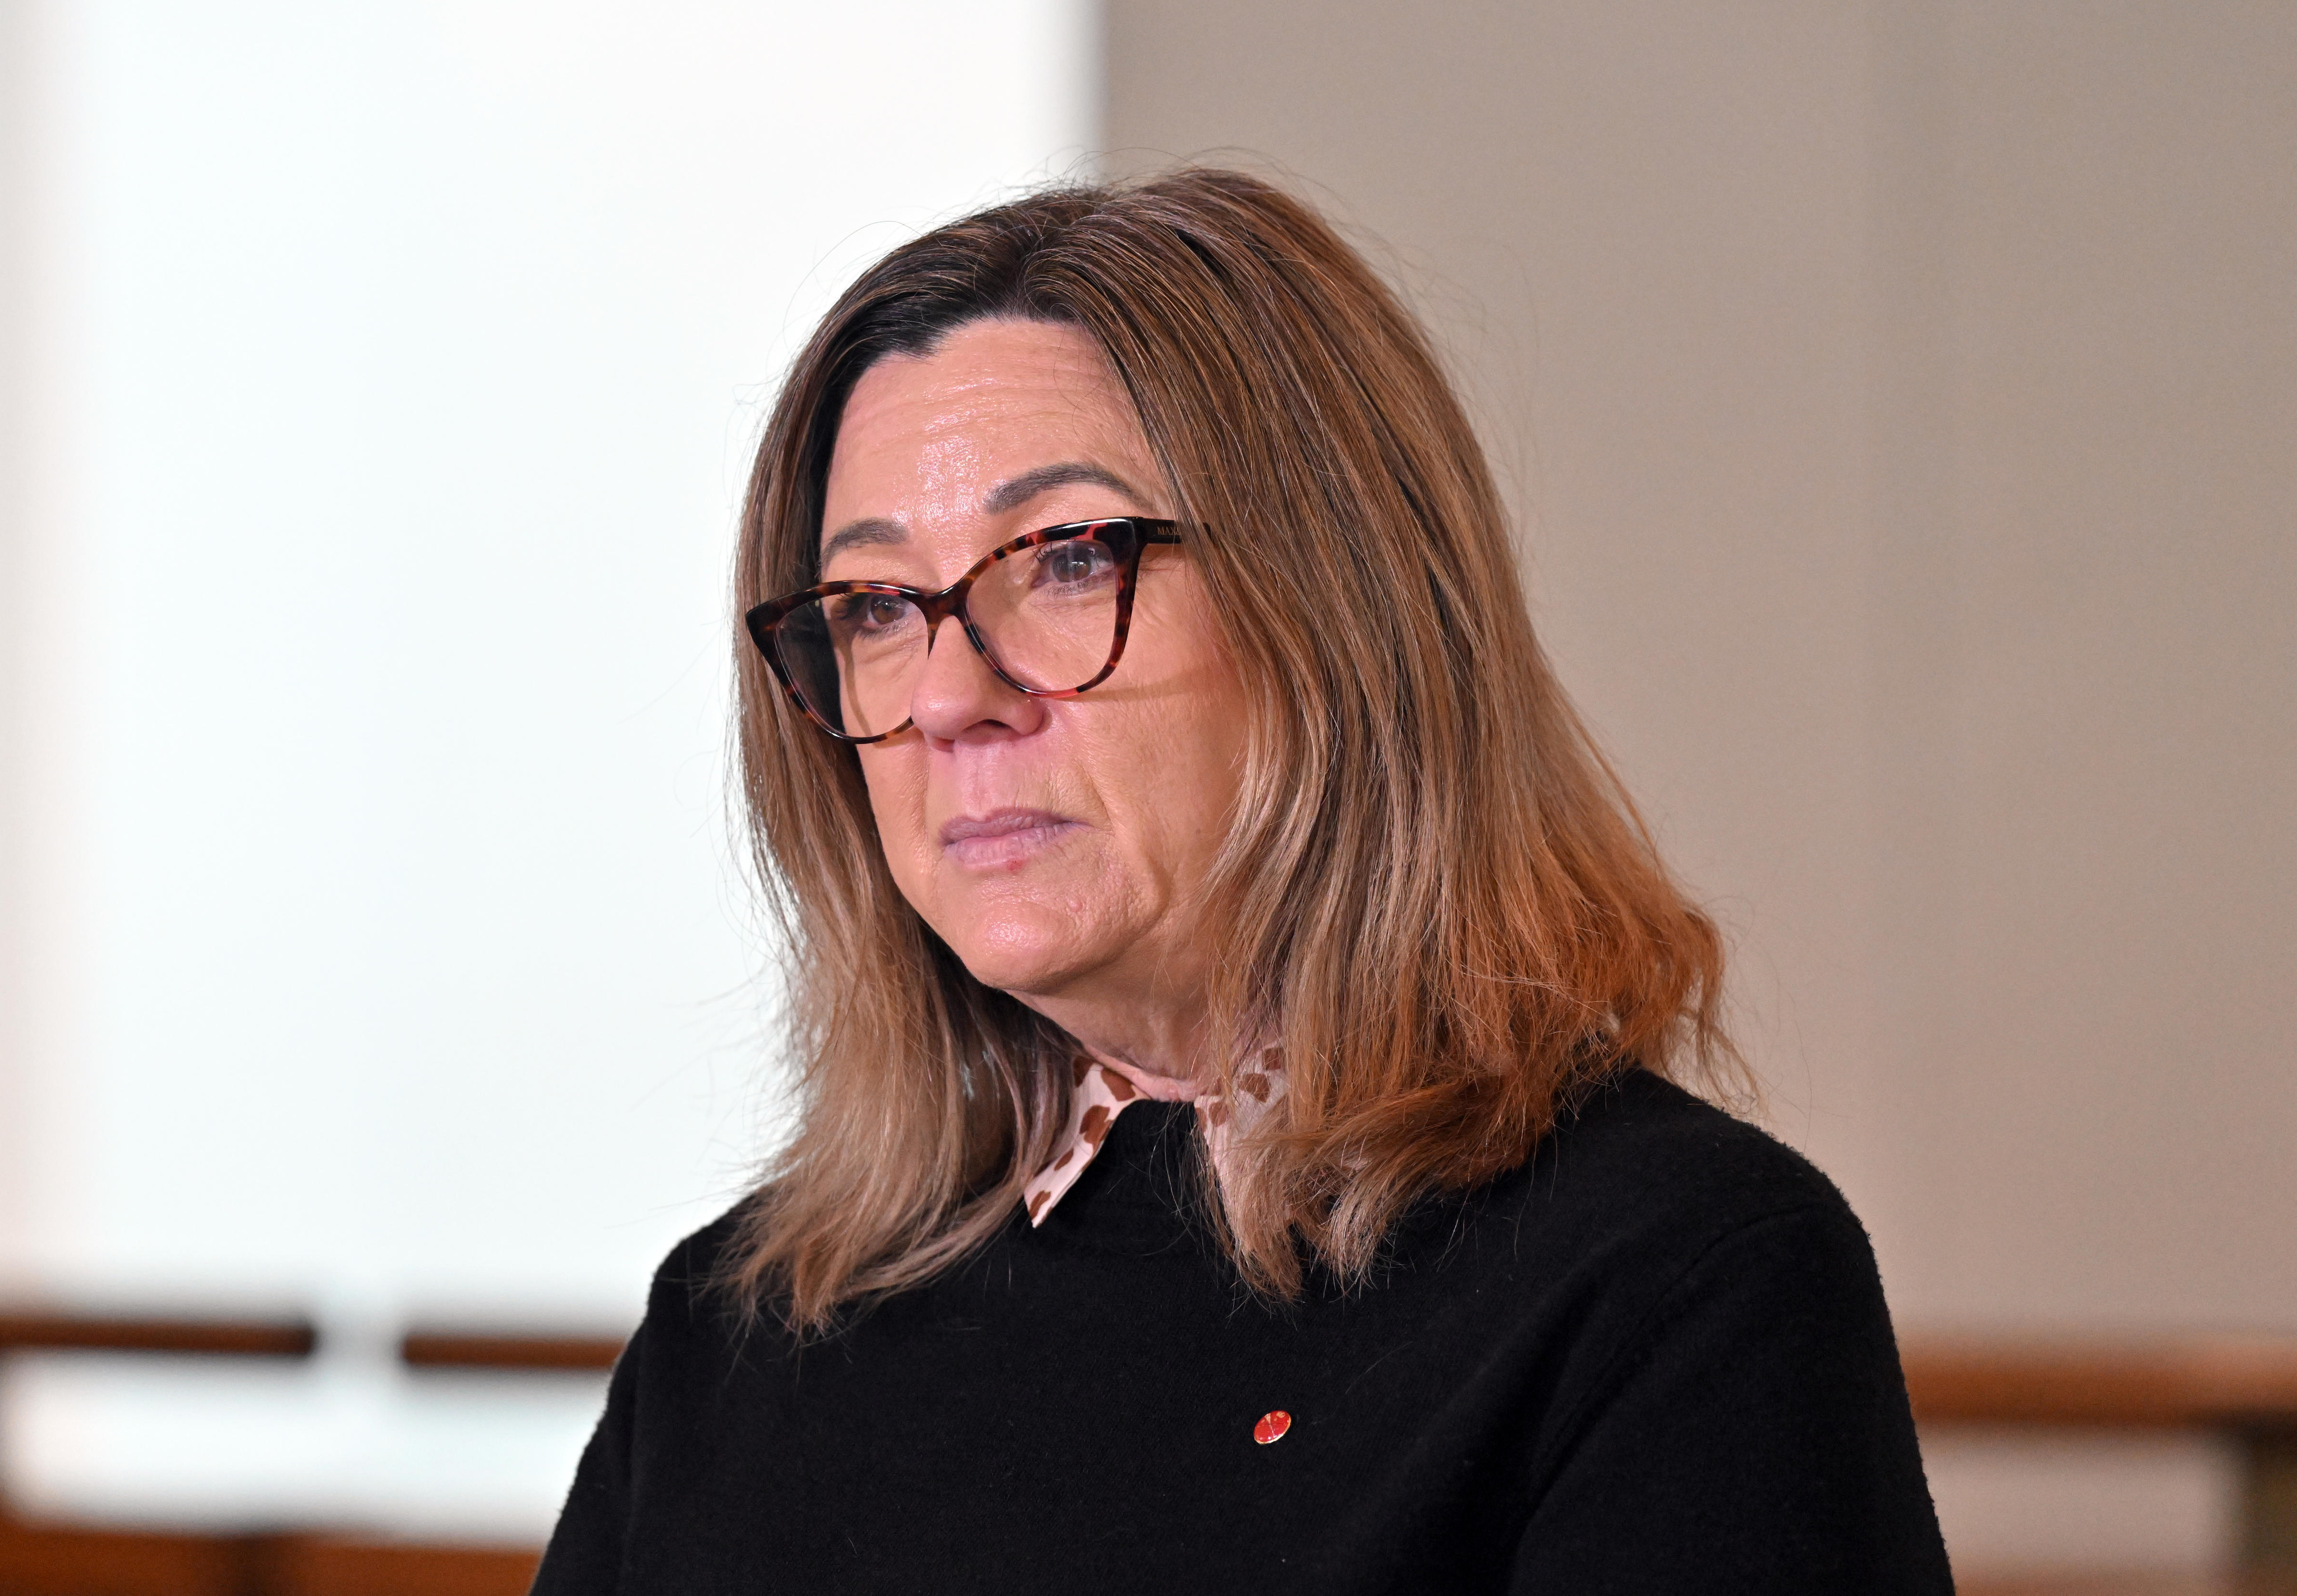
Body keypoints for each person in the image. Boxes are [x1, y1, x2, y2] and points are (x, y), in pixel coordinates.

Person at [532, 169, 1952, 1594]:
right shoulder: (744, 1324)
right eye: (879, 606)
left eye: (1070, 558)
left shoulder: (1680, 1287)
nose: (953, 695)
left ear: (1341, 612)